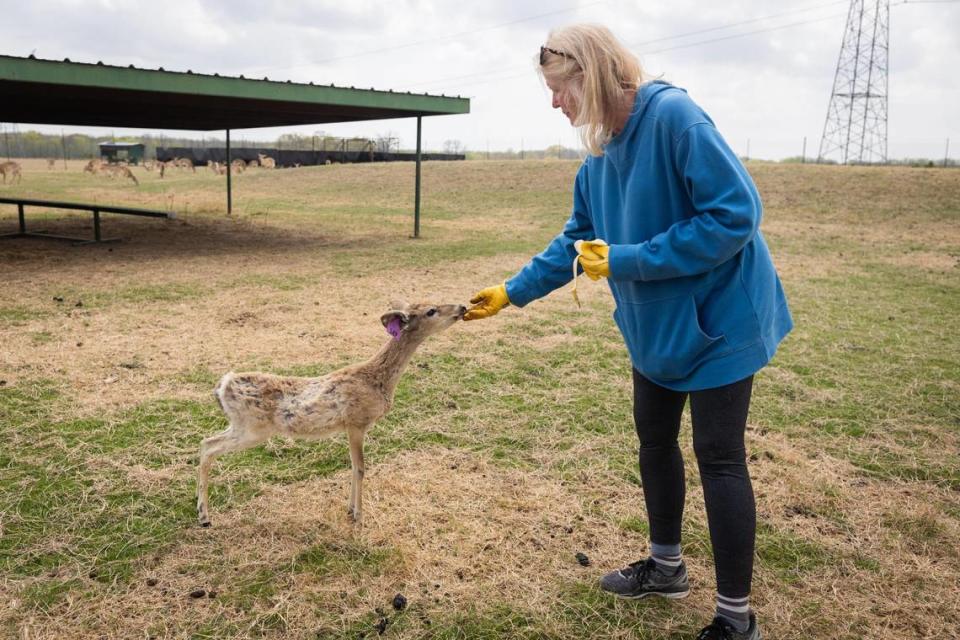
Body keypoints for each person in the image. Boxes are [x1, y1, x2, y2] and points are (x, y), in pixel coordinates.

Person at [464, 24, 792, 640]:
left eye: (560, 89)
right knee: (654, 442)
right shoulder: (597, 156)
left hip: (719, 320)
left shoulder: (675, 119)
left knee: (720, 459)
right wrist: (511, 292)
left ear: (590, 73)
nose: (555, 103)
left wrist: (627, 259)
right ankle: (666, 569)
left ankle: (734, 617)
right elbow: (576, 242)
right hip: (654, 328)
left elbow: (735, 215)